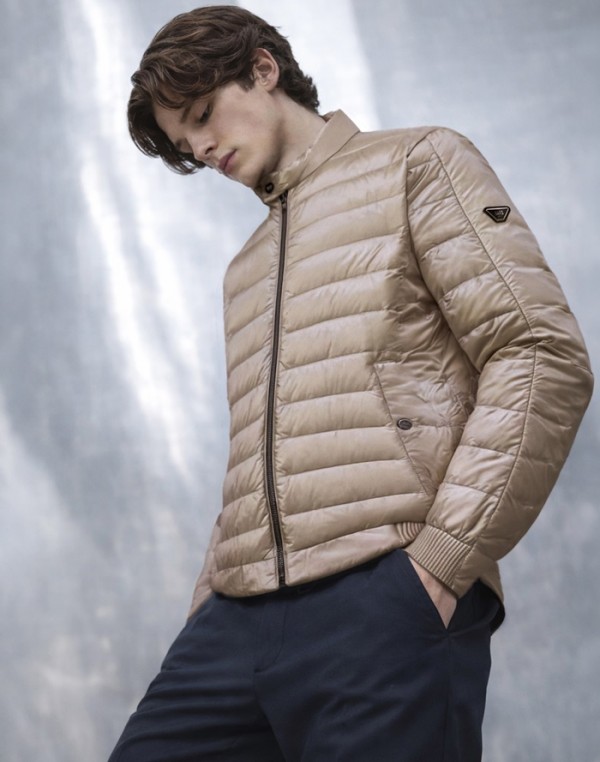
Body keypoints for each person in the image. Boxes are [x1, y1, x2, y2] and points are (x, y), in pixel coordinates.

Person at [109, 6, 593, 761]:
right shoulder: (245, 270)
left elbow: (538, 350)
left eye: (202, 115)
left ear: (263, 69)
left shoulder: (418, 163)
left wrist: (439, 563)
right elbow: (262, 455)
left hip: (382, 596)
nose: (200, 148)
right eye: (184, 144)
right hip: (236, 620)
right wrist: (209, 598)